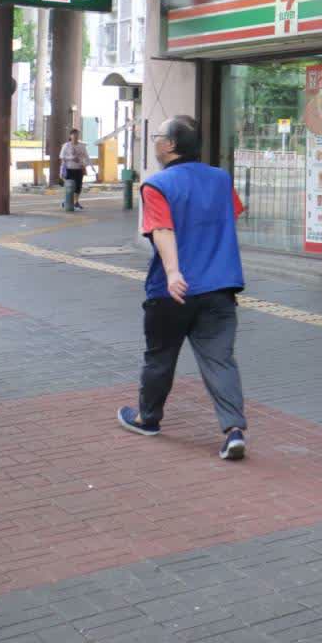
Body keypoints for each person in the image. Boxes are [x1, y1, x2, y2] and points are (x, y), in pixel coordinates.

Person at [116, 115, 250, 461]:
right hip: (220, 287)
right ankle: (234, 431)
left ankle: (147, 418)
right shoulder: (220, 179)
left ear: (171, 145)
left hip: (172, 291)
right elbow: (231, 214)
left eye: (158, 136)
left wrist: (174, 272)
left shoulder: (157, 185)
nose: (155, 142)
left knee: (160, 357)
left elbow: (162, 229)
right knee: (220, 360)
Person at [59, 129, 91, 210]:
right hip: (69, 169)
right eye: (74, 135)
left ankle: (76, 202)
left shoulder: (82, 146)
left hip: (79, 169)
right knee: (69, 187)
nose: (76, 136)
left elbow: (86, 156)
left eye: (77, 134)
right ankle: (67, 201)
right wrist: (71, 158)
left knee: (78, 187)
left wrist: (85, 164)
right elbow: (62, 156)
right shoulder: (66, 145)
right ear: (70, 136)